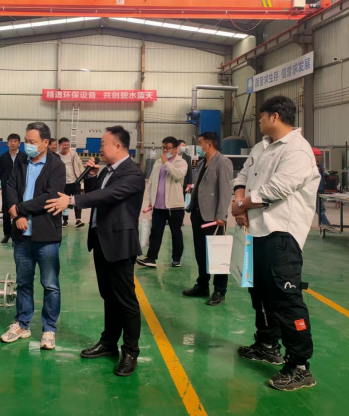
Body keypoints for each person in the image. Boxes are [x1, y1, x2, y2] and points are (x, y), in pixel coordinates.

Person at [231, 96, 320, 391]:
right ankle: (267, 344)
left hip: (282, 235)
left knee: (286, 300)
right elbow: (243, 175)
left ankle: (300, 366)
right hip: (256, 232)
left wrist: (241, 204)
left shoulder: (297, 150)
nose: (259, 120)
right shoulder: (262, 147)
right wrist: (239, 204)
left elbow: (277, 189)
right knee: (260, 293)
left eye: (262, 115)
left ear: (275, 116)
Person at [45, 126, 145, 377]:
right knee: (109, 296)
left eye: (103, 144)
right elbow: (96, 193)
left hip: (120, 244)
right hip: (101, 241)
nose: (100, 148)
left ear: (118, 146)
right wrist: (90, 177)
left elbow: (108, 195)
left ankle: (130, 351)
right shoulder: (108, 171)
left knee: (126, 301)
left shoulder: (132, 173)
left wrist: (71, 201)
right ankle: (108, 342)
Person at [1, 122, 66, 350]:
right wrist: (16, 214)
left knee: (50, 285)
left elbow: (50, 197)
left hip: (46, 234)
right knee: (23, 282)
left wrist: (20, 209)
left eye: (31, 142)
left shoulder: (56, 165)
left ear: (45, 143)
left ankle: (49, 329)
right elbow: (10, 186)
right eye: (26, 141)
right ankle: (22, 323)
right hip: (22, 234)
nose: (26, 145)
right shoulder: (21, 160)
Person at [182, 132, 233, 306]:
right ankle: (202, 285)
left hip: (213, 218)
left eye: (200, 143)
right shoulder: (202, 163)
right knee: (201, 253)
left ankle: (219, 290)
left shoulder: (223, 162)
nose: (198, 146)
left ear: (209, 144)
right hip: (198, 214)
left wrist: (221, 215)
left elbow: (225, 191)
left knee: (218, 255)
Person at [137, 136, 187, 268]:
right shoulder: (158, 163)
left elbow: (178, 175)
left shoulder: (181, 163)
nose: (165, 150)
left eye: (168, 148)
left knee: (176, 233)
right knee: (155, 232)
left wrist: (167, 163)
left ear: (175, 149)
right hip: (158, 205)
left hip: (174, 206)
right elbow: (151, 182)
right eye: (163, 148)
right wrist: (150, 200)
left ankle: (176, 259)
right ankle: (151, 258)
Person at [0, 134, 27, 244]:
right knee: (6, 212)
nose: (13, 143)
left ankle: (16, 236)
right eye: (11, 141)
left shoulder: (24, 157)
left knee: (19, 211)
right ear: (8, 143)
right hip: (6, 189)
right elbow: (1, 173)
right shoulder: (3, 157)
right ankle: (7, 234)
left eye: (15, 141)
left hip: (20, 189)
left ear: (19, 143)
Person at [58, 137, 86, 228]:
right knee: (65, 202)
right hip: (63, 183)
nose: (66, 147)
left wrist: (81, 176)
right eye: (64, 145)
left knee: (77, 200)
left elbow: (80, 164)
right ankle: (65, 220)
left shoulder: (73, 154)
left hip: (75, 182)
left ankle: (78, 219)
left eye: (68, 145)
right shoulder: (56, 156)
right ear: (59, 145)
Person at [313, 147, 330, 225]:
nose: (320, 156)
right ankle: (327, 226)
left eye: (320, 155)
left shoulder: (319, 165)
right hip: (314, 191)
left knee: (320, 209)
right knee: (320, 210)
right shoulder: (311, 166)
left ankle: (326, 225)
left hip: (320, 190)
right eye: (318, 155)